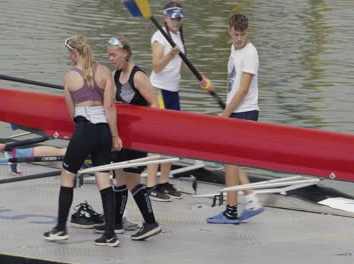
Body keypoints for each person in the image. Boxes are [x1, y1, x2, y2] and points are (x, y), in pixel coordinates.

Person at [43, 34, 122, 247]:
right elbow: (110, 108)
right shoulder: (105, 72)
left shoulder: (70, 77)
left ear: (74, 53)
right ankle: (110, 234)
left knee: (67, 175)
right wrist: (115, 136)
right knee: (104, 179)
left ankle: (60, 229)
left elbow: (72, 113)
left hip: (84, 130)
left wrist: (81, 136)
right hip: (104, 131)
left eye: (70, 54)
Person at [91, 35, 161, 241]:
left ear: (126, 53)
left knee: (132, 179)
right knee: (118, 176)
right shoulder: (114, 76)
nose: (111, 59)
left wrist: (144, 130)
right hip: (121, 136)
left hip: (137, 136)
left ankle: (150, 222)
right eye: (109, 56)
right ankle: (117, 222)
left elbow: (154, 105)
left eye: (114, 55)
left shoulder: (138, 77)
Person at [147, 1, 212, 201]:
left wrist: (202, 80)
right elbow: (157, 66)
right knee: (157, 141)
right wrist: (170, 55)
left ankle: (164, 182)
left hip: (173, 92)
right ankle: (151, 186)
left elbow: (184, 61)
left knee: (171, 139)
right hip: (159, 91)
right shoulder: (159, 37)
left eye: (179, 18)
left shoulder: (177, 35)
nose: (176, 22)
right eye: (173, 18)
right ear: (165, 18)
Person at [206, 14, 265, 224]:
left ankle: (232, 211)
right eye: (235, 34)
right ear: (230, 30)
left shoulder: (250, 53)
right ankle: (251, 200)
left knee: (230, 162)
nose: (238, 38)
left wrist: (224, 114)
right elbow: (234, 85)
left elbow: (243, 90)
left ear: (247, 31)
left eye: (242, 34)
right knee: (230, 160)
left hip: (245, 112)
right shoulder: (234, 49)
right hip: (235, 111)